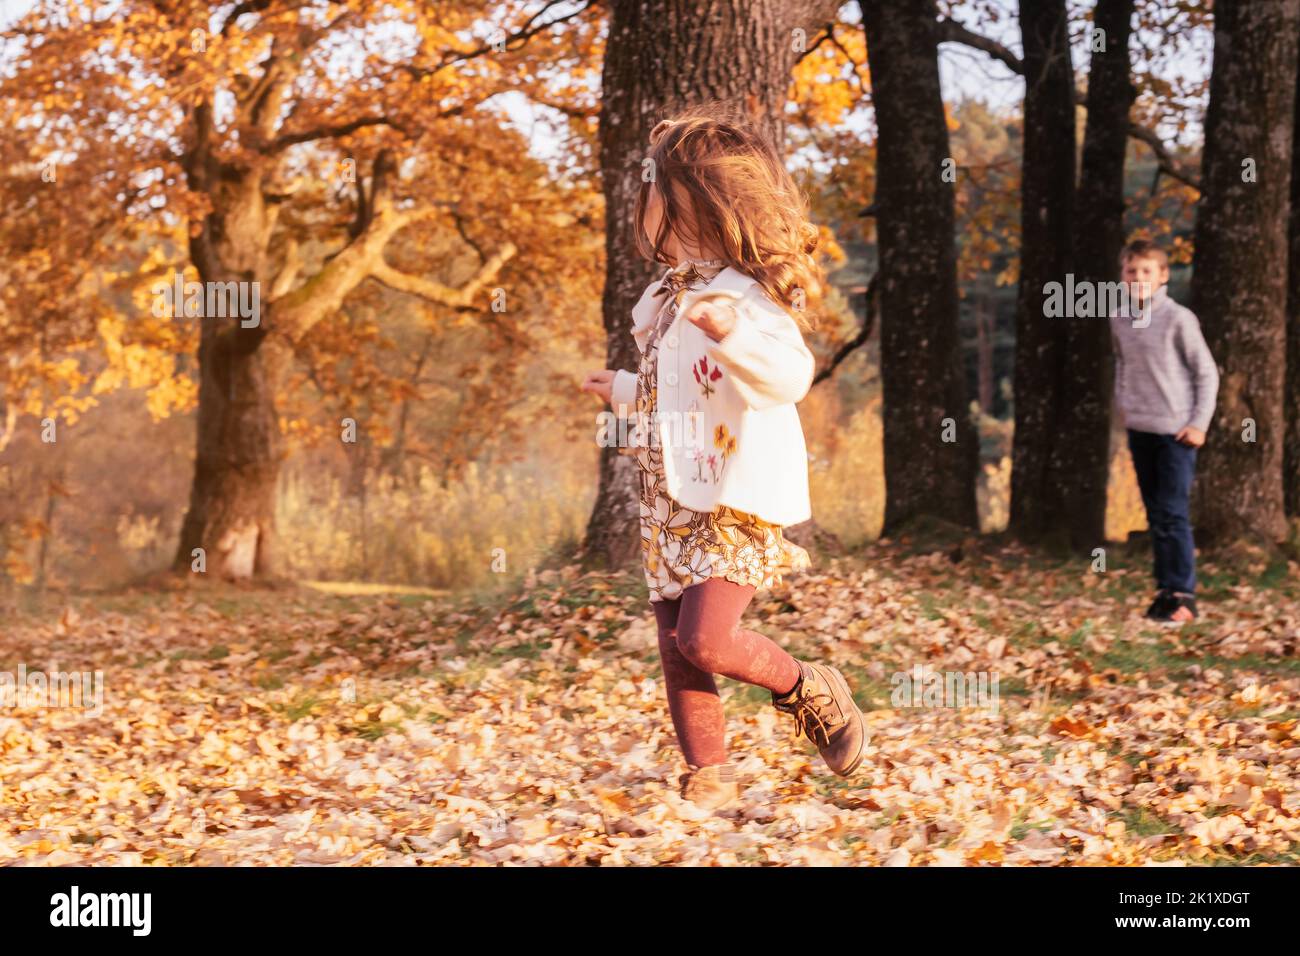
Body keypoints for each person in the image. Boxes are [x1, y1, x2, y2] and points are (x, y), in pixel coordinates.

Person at [580, 108, 866, 810]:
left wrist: (733, 334)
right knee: (676, 641)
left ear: (702, 207)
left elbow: (788, 377)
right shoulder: (664, 296)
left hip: (733, 495)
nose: (644, 209)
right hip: (669, 493)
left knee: (706, 639)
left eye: (656, 196)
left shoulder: (745, 296)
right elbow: (667, 391)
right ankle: (708, 774)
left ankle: (808, 686)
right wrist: (621, 388)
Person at [1110, 239, 1219, 624]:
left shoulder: (1178, 319)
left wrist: (1198, 424)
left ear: (1162, 276)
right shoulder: (1120, 318)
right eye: (1131, 271)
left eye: (1146, 271)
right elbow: (1123, 365)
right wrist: (1124, 404)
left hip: (1177, 432)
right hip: (1140, 428)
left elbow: (1206, 373)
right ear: (1123, 276)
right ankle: (1164, 592)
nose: (1138, 278)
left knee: (1173, 514)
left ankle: (1184, 598)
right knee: (1156, 515)